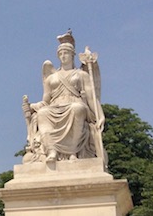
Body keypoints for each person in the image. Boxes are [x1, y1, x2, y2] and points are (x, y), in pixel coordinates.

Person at [22, 30, 102, 163]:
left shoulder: (81, 74)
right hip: (55, 106)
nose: (63, 56)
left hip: (74, 103)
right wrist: (31, 107)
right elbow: (46, 100)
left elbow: (91, 98)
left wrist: (100, 115)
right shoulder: (51, 78)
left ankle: (73, 152)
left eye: (66, 53)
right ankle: (52, 151)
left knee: (77, 109)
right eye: (61, 54)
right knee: (43, 113)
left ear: (72, 55)